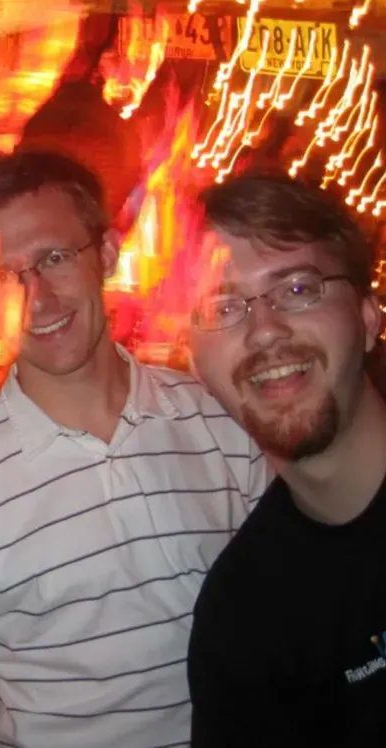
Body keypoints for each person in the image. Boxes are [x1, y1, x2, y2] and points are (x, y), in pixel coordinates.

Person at [0, 150, 271, 748]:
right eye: (5, 277)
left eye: (54, 258)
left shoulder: (223, 423)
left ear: (107, 254)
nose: (36, 298)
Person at [186, 173, 386, 746]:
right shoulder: (243, 616)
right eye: (223, 306)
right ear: (196, 364)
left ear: (368, 318)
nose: (264, 331)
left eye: (298, 289)